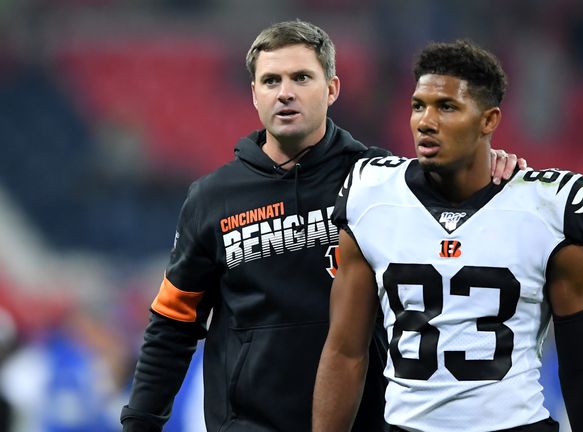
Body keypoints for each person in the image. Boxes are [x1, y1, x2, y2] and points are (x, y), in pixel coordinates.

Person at [120, 20, 524, 432]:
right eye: (271, 80)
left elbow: (460, 213)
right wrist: (139, 422)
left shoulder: (382, 180)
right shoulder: (211, 199)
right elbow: (173, 324)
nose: (285, 92)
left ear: (332, 89)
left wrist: (491, 164)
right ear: (255, 94)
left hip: (365, 422)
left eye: (301, 78)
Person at [313, 40, 583, 432]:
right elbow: (344, 352)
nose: (425, 121)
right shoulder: (371, 196)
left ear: (489, 121)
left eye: (447, 107)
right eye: (418, 105)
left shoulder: (548, 208)